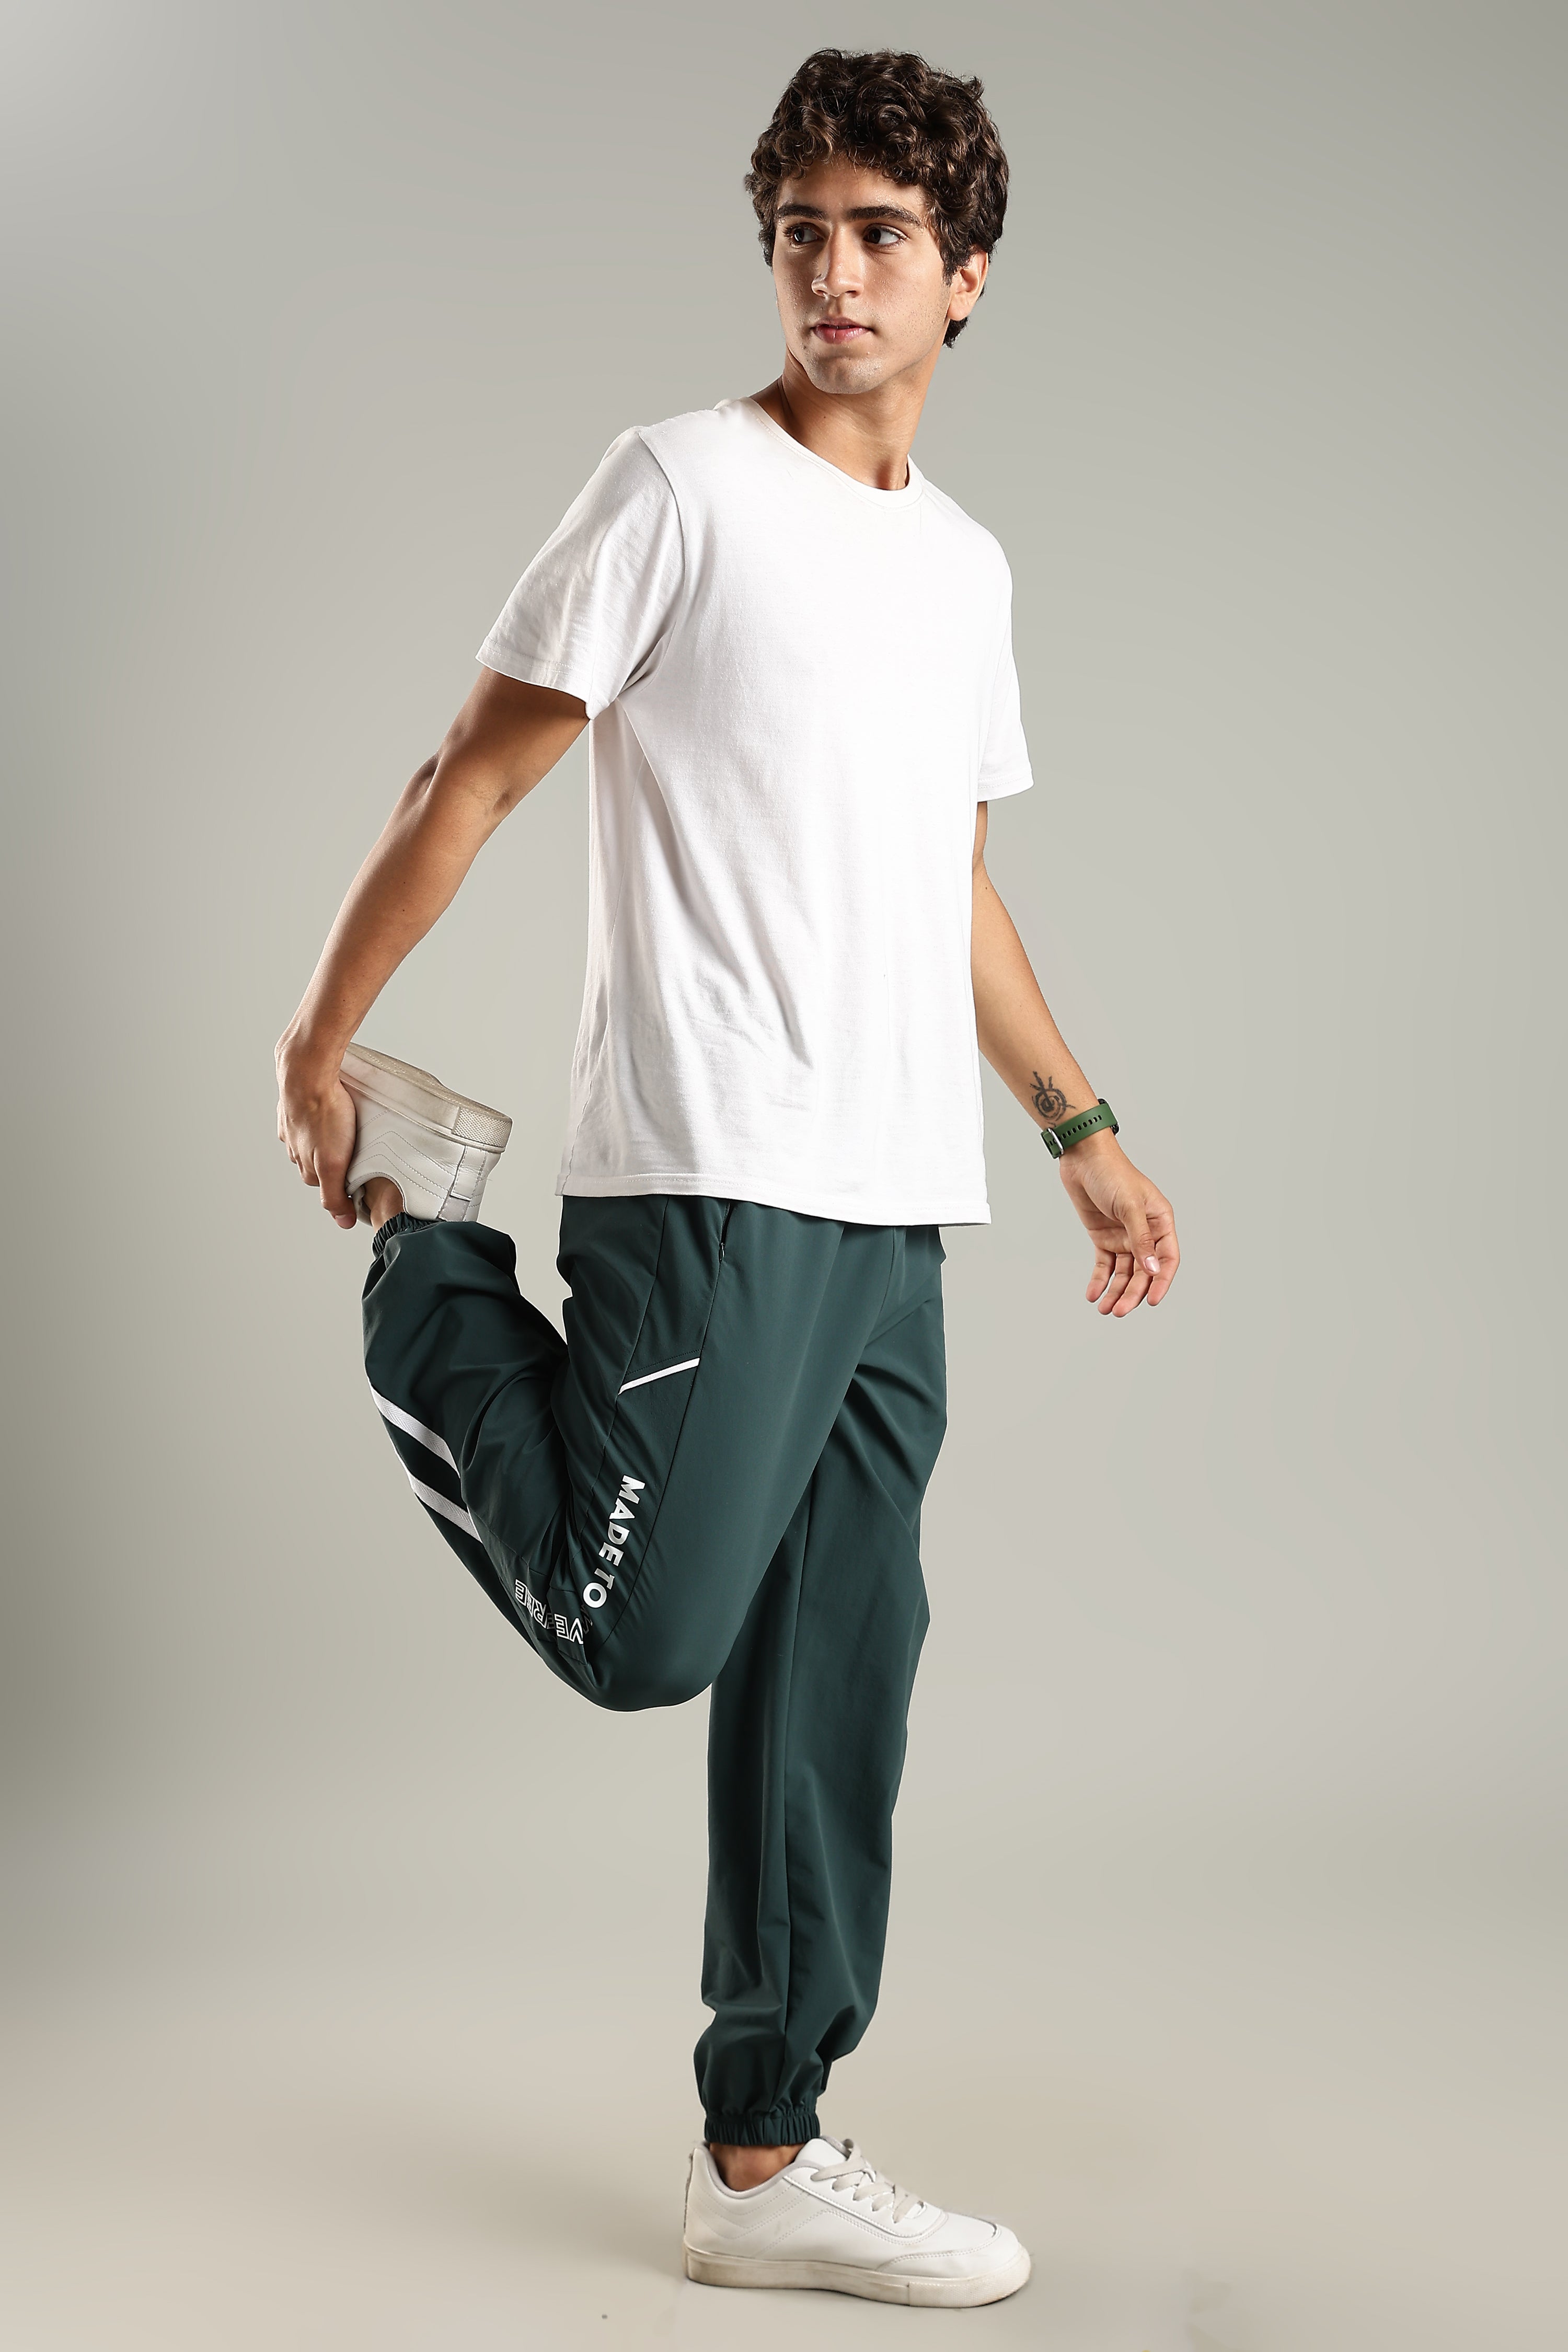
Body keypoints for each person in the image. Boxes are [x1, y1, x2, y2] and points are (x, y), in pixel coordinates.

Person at [275, 46, 1179, 2310]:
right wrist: (321, 1030)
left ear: (968, 275)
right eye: (802, 233)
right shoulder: (677, 485)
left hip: (895, 1205)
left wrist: (1078, 1131)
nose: (834, 273)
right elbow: (475, 772)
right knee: (645, 1633)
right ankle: (426, 1255)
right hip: (711, 1171)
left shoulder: (963, 569)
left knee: (832, 1675)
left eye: (882, 235)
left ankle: (763, 2151)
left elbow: (947, 881)